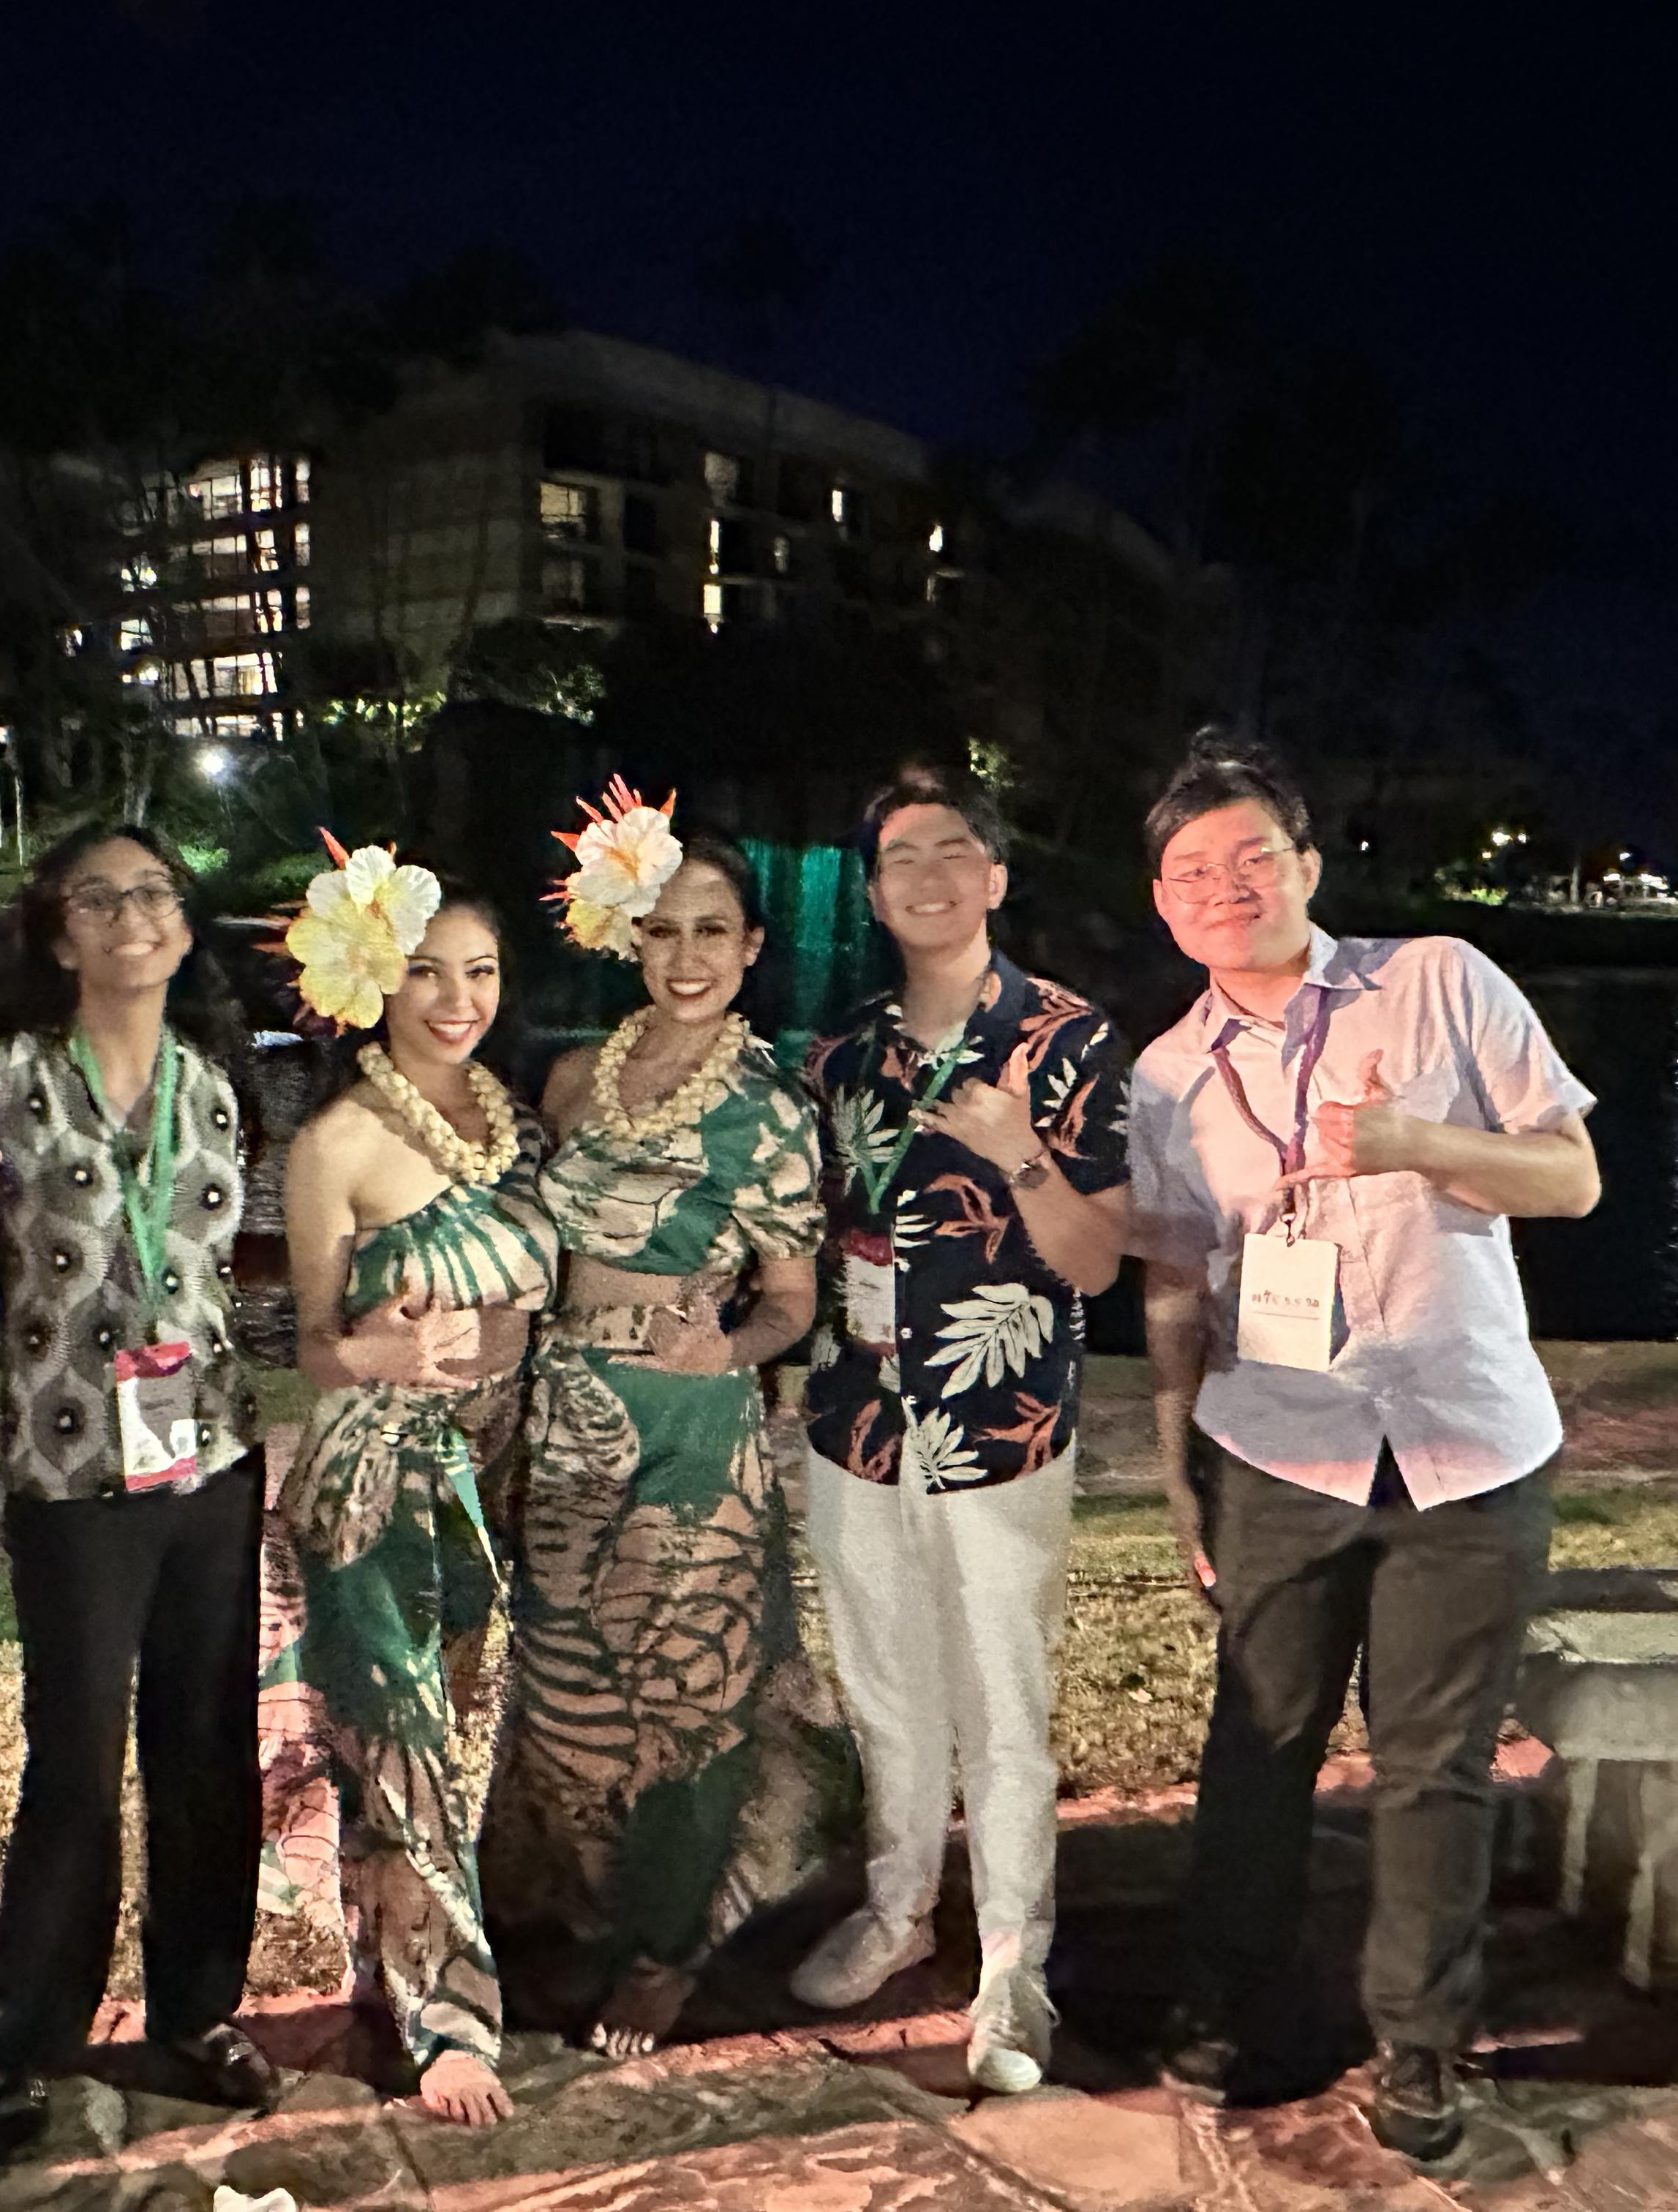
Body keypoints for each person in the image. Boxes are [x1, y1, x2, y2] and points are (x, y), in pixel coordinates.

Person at [1124, 735, 1598, 2164]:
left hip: (1468, 1449)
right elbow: (1174, 1279)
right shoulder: (1166, 1075)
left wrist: (1416, 1142)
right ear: (1163, 902)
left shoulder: (1440, 979)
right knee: (1259, 1746)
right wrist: (1175, 1461)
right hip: (1276, 1449)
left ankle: (1421, 2045)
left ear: (1309, 867)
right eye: (1192, 871)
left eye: (1253, 857)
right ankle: (1226, 2004)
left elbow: (1572, 1177)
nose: (1225, 886)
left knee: (1434, 1768)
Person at [485, 798, 857, 2058]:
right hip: (565, 1416)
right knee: (569, 1690)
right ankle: (600, 1909)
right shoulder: (572, 1079)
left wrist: (728, 1348)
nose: (687, 956)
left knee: (687, 1699)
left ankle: (664, 1953)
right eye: (662, 931)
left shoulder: (768, 1108)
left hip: (691, 1430)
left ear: (751, 947)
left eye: (712, 931)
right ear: (628, 940)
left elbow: (793, 1302)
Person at [789, 766, 1133, 2096]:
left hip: (1001, 1423)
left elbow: (1096, 1263)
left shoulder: (1069, 1041)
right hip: (856, 1420)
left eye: (951, 852)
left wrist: (1019, 1153)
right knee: (884, 1683)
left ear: (994, 877)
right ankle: (898, 1910)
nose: (926, 877)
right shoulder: (840, 1056)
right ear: (876, 897)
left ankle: (1011, 1965)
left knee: (1001, 1696)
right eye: (900, 860)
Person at [0, 822, 279, 2148]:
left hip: (212, 1455)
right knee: (76, 1762)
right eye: (100, 898)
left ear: (186, 926)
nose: (133, 915)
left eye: (155, 893)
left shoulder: (217, 1082)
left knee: (207, 1743)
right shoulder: (6, 1078)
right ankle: (27, 2043)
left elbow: (230, 1263)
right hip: (71, 1466)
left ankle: (197, 2011)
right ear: (58, 931)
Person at [278, 849, 553, 2127]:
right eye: (427, 971)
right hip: (381, 1472)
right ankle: (451, 2023)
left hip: (498, 1466)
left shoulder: (518, 1130)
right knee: (408, 1744)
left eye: (481, 972)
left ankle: (390, 1965)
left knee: (448, 1739)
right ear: (373, 980)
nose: (458, 999)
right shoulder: (336, 1143)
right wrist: (374, 1354)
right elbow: (312, 1346)